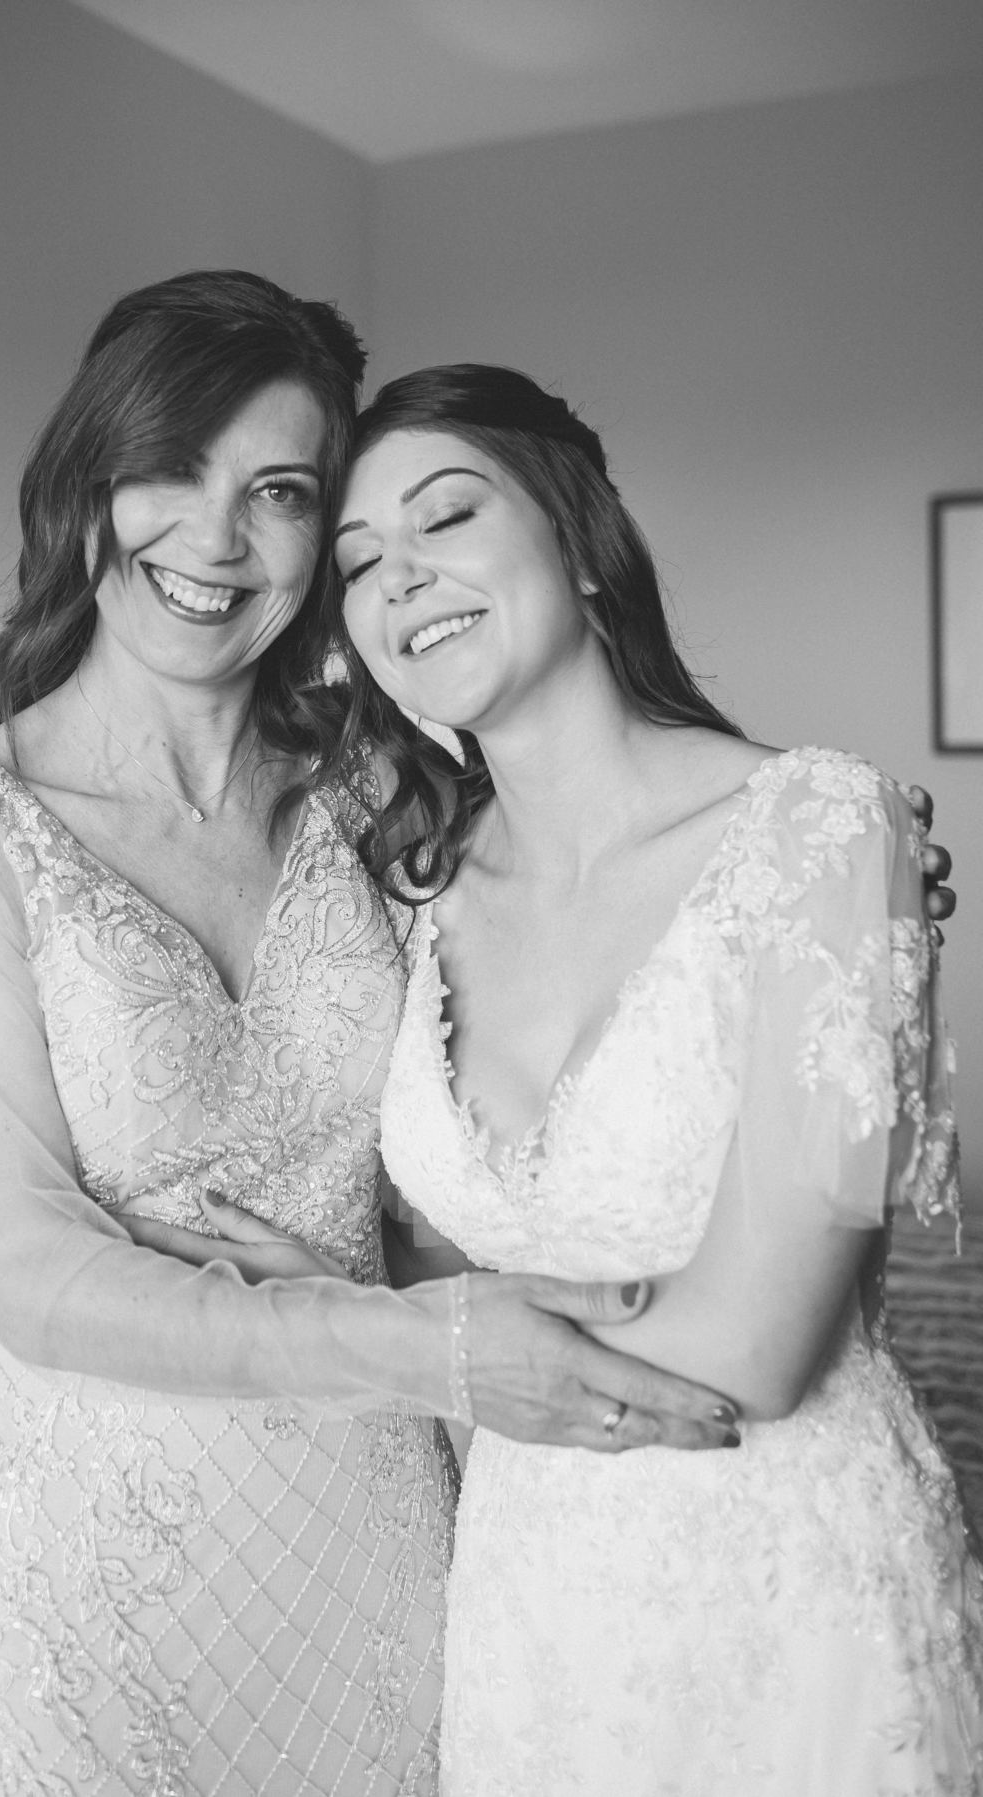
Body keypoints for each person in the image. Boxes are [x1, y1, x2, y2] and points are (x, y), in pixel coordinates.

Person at [0, 277, 749, 1795]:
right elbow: (34, 1278)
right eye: (172, 467)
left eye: (277, 492)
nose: (216, 539)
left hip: (373, 1545)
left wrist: (804, 853)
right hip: (77, 1582)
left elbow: (599, 874)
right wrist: (433, 1349)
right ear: (89, 481)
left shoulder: (381, 785)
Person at [311, 362, 983, 1794]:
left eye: (445, 515)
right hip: (527, 1614)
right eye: (357, 563)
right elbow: (432, 1257)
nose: (399, 577)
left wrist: (391, 1336)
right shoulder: (411, 898)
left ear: (579, 535)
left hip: (790, 1595)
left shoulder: (824, 829)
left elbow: (762, 1342)